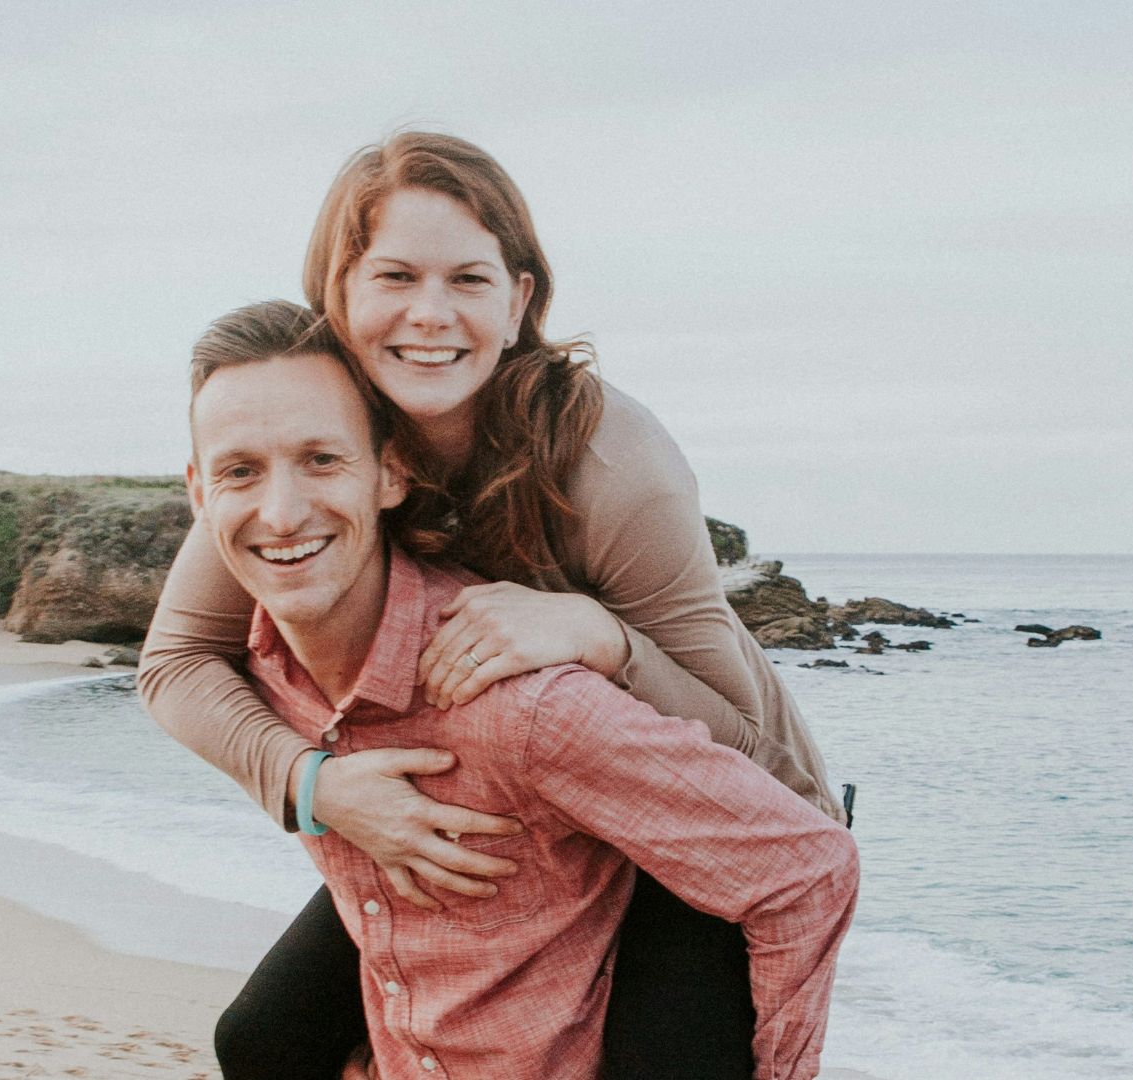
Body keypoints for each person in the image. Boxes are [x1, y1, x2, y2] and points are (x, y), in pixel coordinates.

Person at [139, 132, 850, 1079]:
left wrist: (602, 637)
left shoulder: (611, 463)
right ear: (335, 293)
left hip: (705, 813)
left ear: (520, 302)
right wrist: (319, 787)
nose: (429, 316)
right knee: (266, 1042)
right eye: (394, 275)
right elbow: (176, 663)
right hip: (524, 793)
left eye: (467, 280)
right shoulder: (305, 450)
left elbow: (743, 745)